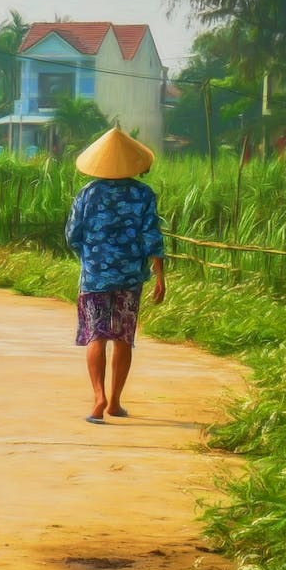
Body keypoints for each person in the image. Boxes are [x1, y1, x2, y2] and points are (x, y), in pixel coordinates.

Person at [65, 127, 165, 424]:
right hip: (130, 277)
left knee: (96, 335)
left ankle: (98, 398)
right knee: (123, 337)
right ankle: (115, 403)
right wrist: (160, 275)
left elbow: (72, 234)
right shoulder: (143, 194)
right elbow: (152, 237)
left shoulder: (87, 194)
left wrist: (91, 255)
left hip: (94, 277)